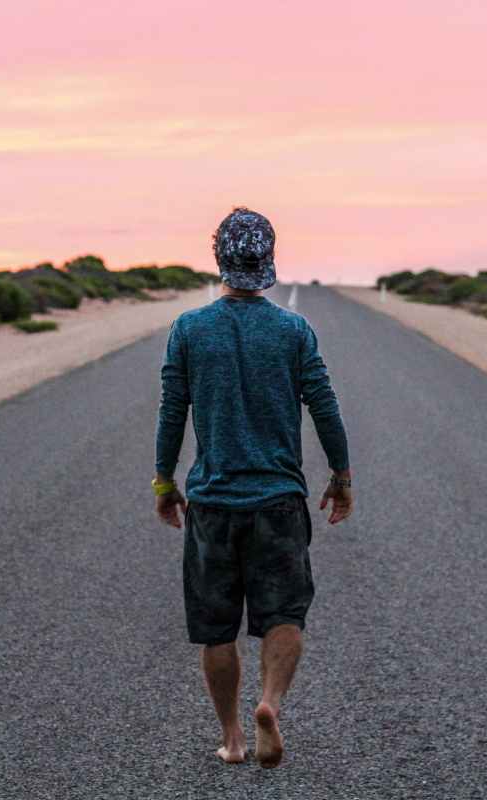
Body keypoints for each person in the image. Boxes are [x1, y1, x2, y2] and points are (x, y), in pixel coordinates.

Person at [152, 207, 353, 769]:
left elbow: (173, 410)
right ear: (268, 259)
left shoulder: (189, 329)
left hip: (213, 503)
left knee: (217, 628)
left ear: (219, 257)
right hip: (278, 503)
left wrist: (164, 480)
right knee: (283, 614)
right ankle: (270, 702)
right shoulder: (293, 330)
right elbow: (324, 406)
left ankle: (234, 737)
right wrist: (340, 476)